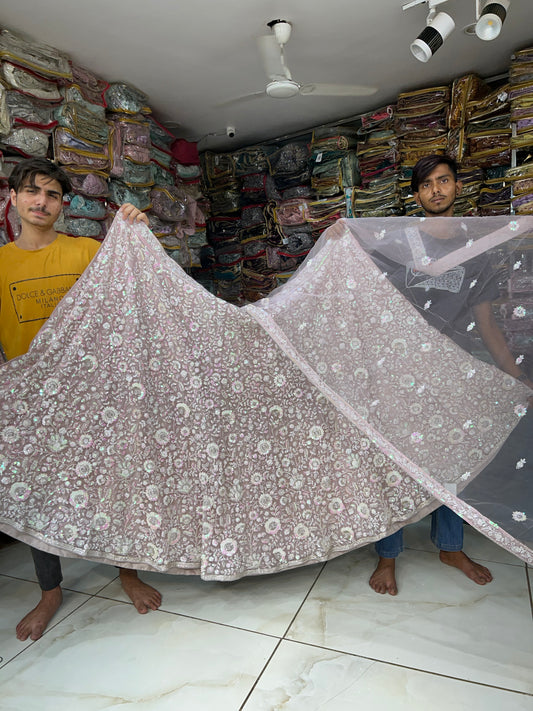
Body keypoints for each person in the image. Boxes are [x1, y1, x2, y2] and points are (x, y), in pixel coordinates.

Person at [0, 158, 162, 640]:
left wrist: (139, 231)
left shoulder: (89, 251)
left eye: (51, 195)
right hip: (31, 401)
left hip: (97, 393)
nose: (41, 202)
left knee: (117, 481)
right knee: (35, 490)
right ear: (12, 198)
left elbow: (135, 294)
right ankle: (50, 590)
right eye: (31, 192)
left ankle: (127, 572)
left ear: (63, 204)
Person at [369, 154, 533, 595]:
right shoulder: (398, 244)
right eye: (426, 185)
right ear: (417, 194)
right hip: (402, 370)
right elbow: (373, 302)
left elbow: (486, 321)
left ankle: (450, 545)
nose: (436, 190)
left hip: (456, 372)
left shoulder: (477, 250)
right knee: (396, 463)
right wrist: (338, 238)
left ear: (458, 186)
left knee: (456, 461)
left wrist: (515, 374)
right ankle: (388, 556)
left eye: (444, 181)